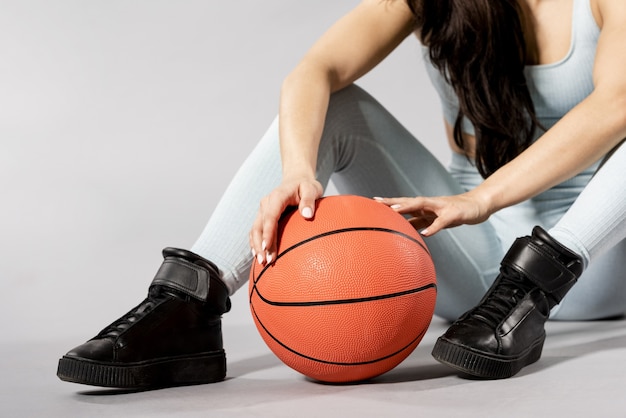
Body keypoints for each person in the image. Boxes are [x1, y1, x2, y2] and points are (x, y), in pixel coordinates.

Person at [57, 0, 626, 388]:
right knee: (341, 103)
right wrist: (297, 170)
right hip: (461, 266)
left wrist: (484, 199)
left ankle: (527, 293)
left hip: (582, 264)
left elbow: (617, 101)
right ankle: (188, 307)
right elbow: (316, 68)